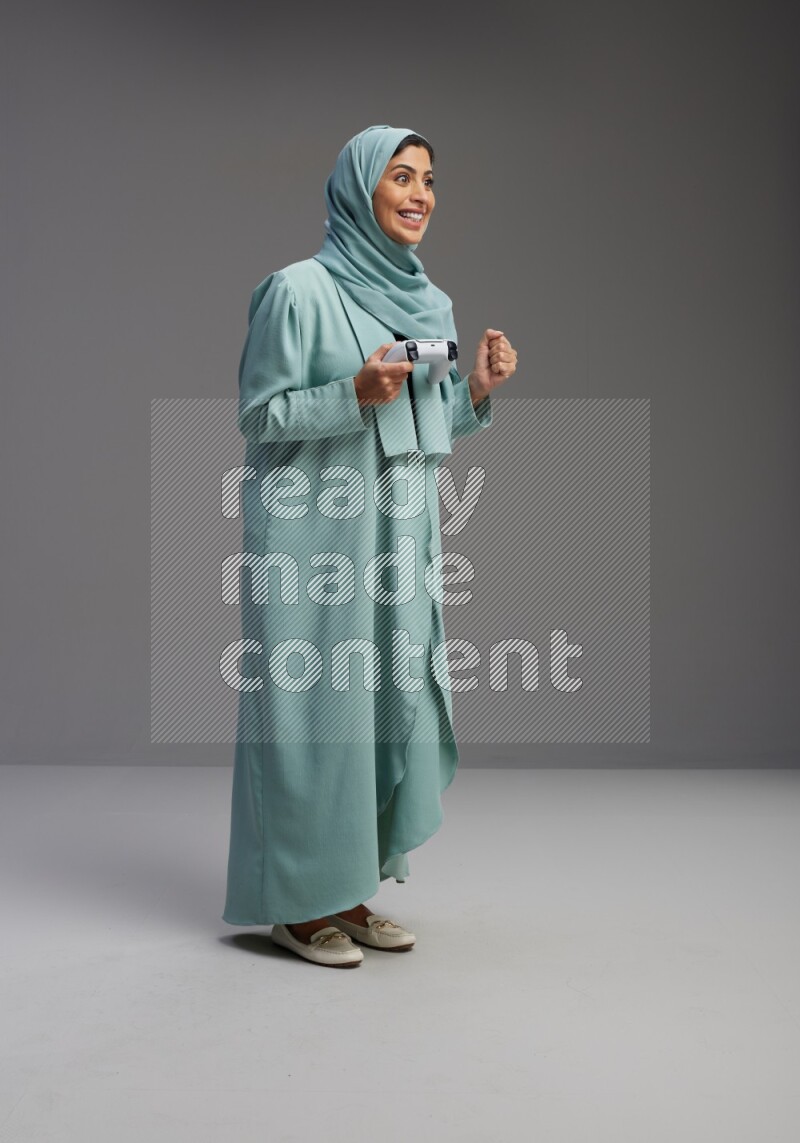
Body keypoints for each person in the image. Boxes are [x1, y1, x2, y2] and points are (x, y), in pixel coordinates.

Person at [222, 125, 518, 967]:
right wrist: (349, 391)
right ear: (360, 188)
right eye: (401, 177)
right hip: (313, 536)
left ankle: (347, 892)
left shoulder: (432, 305)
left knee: (378, 712)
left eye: (430, 179)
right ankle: (292, 903)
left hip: (397, 536)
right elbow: (257, 414)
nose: (421, 193)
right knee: (310, 718)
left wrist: (476, 394)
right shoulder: (297, 290)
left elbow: (420, 428)